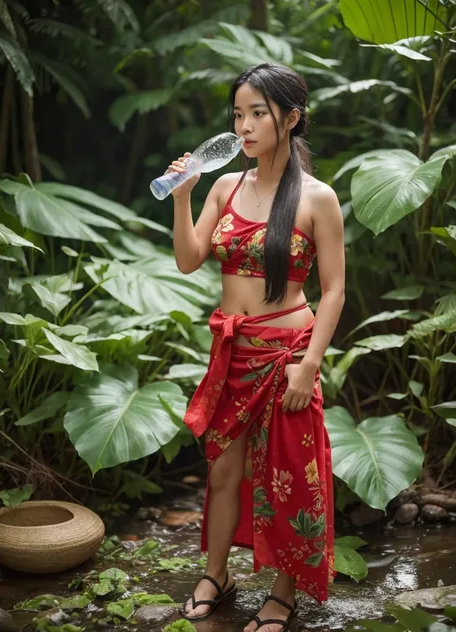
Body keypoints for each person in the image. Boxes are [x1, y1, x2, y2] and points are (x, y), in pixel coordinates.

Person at [167, 62, 345, 632]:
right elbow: (190, 258)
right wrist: (182, 196)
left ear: (290, 118)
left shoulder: (318, 198)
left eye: (257, 114)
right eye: (237, 115)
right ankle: (217, 574)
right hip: (234, 352)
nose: (244, 127)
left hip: (288, 353)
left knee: (289, 475)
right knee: (224, 473)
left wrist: (309, 364)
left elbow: (336, 289)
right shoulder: (226, 185)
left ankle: (284, 591)